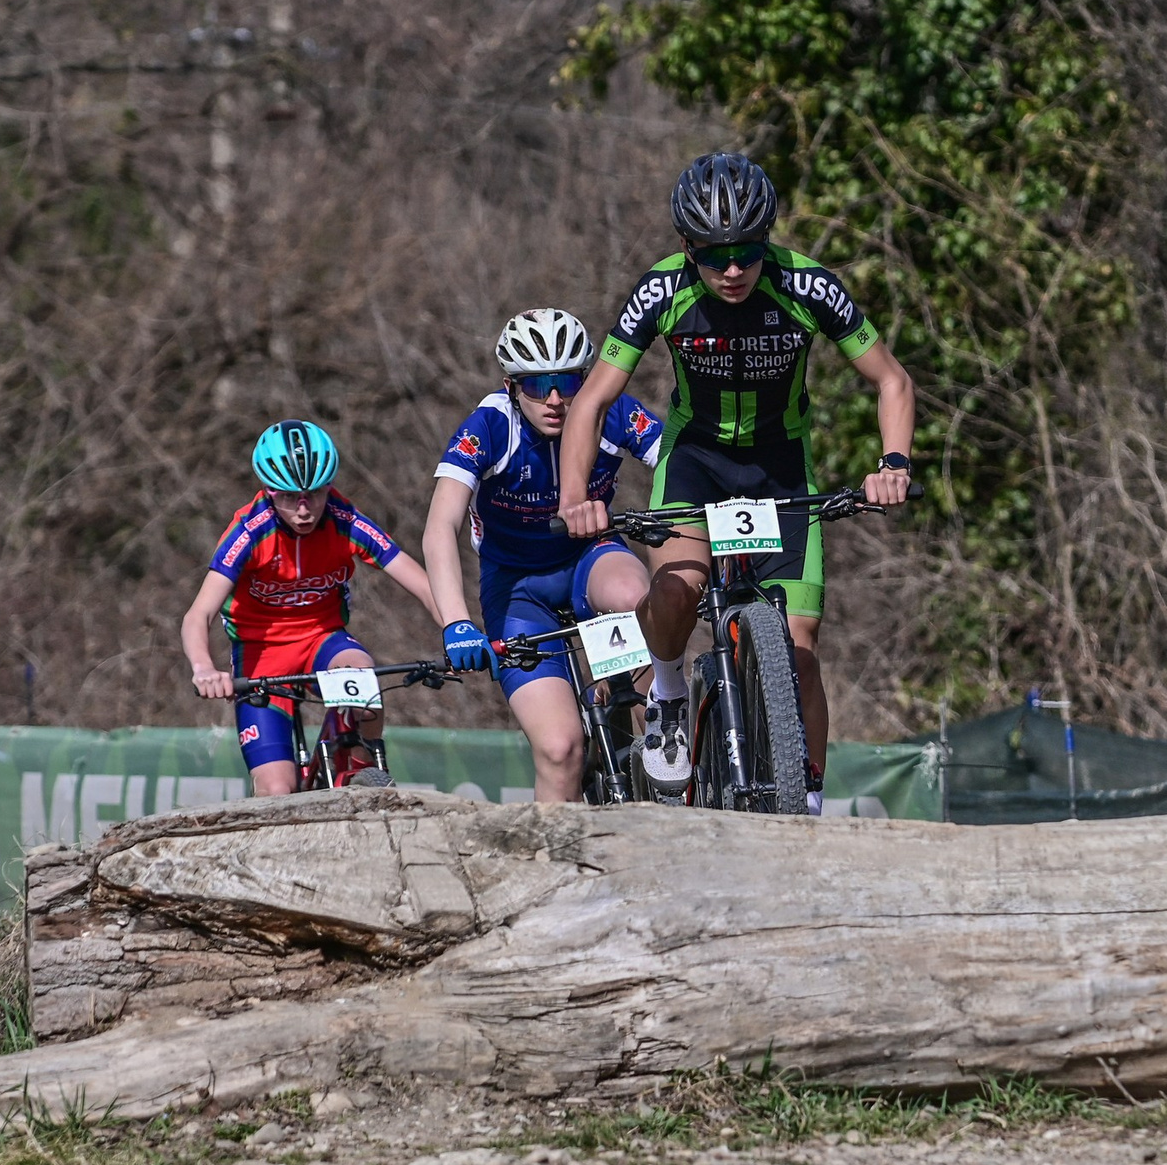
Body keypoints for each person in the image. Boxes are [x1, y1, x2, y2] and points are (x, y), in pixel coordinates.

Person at [557, 151, 916, 813]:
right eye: (714, 255)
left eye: (749, 252)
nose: (732, 270)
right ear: (687, 247)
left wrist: (893, 464)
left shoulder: (808, 286)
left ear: (767, 243)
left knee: (800, 647)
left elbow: (891, 379)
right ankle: (665, 686)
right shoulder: (661, 291)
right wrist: (575, 497)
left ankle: (804, 800)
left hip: (780, 466)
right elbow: (591, 401)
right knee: (677, 589)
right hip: (696, 462)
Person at [422, 308, 665, 802]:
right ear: (512, 386)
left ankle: (659, 740)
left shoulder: (609, 409)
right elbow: (439, 526)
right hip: (516, 589)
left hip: (589, 560)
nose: (555, 399)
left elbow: (679, 465)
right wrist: (455, 623)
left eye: (568, 381)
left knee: (634, 595)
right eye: (537, 385)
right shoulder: (490, 425)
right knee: (560, 751)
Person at [178, 419, 442, 796]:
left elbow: (422, 583)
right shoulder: (251, 531)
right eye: (288, 498)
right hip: (261, 653)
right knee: (276, 790)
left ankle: (358, 764)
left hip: (323, 639)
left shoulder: (344, 519)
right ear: (269, 491)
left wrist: (458, 628)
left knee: (362, 673)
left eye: (315, 494)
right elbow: (197, 615)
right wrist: (204, 668)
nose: (304, 510)